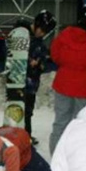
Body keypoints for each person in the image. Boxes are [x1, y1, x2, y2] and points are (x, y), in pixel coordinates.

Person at [49, 4, 86, 154]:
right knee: (80, 123)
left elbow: (55, 55)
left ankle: (56, 156)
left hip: (63, 84)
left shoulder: (66, 33)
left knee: (60, 122)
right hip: (84, 88)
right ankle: (76, 155)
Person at [23, 10, 57, 145]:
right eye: (41, 29)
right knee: (19, 110)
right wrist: (30, 62)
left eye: (45, 31)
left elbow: (42, 61)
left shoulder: (39, 43)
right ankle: (22, 136)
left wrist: (40, 63)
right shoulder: (22, 36)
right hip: (20, 81)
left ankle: (26, 136)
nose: (42, 33)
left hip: (32, 83)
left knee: (28, 111)